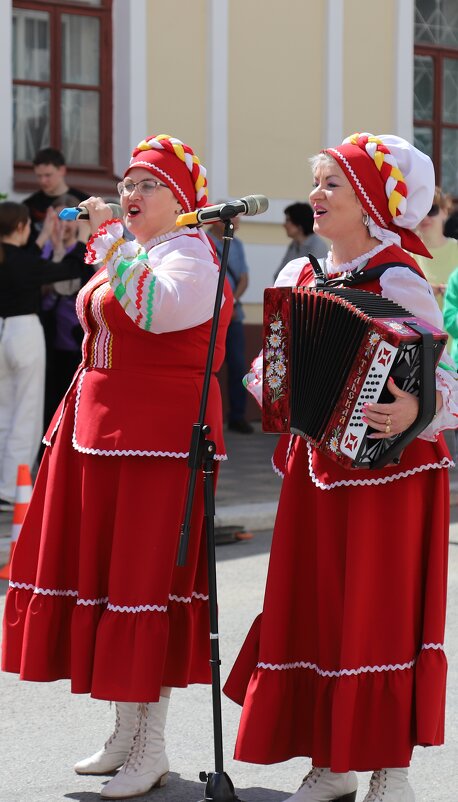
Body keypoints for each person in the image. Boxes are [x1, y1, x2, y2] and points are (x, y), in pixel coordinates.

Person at [223, 133, 458, 802]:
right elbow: (271, 368)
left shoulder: (401, 280)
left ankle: (392, 770)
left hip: (391, 476)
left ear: (373, 204)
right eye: (318, 181)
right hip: (317, 468)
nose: (316, 195)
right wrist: (267, 385)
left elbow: (445, 379)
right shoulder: (299, 274)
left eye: (333, 185)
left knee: (378, 613)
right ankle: (333, 760)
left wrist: (414, 405)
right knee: (321, 607)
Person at [2, 134, 233, 800]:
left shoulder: (192, 256)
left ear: (182, 199)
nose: (129, 195)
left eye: (145, 185)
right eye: (127, 184)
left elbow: (155, 313)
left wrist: (112, 246)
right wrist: (119, 247)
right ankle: (124, 732)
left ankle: (150, 744)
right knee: (110, 578)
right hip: (105, 435)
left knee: (143, 585)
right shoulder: (143, 252)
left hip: (158, 443)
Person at [0, 201, 88, 512]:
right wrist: (78, 239)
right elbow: (67, 270)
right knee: (26, 412)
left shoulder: (12, 258)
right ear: (22, 227)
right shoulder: (23, 262)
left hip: (3, 334)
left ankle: (4, 484)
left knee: (4, 410)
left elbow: (27, 261)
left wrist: (45, 239)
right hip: (23, 334)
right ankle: (12, 489)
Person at [40, 194, 95, 433]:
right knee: (51, 400)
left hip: (78, 338)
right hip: (51, 337)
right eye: (58, 219)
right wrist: (55, 248)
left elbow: (72, 283)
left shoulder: (89, 249)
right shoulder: (47, 249)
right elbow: (42, 285)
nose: (63, 225)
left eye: (69, 219)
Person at [208, 215, 254, 433]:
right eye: (234, 219)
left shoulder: (238, 245)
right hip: (208, 315)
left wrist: (231, 302)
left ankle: (237, 416)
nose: (238, 224)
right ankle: (205, 417)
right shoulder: (202, 240)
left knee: (238, 366)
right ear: (219, 221)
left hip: (233, 315)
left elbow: (244, 278)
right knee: (206, 367)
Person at [24, 147, 88, 243]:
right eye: (39, 176)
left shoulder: (84, 202)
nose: (43, 181)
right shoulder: (29, 205)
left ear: (62, 170)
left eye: (48, 175)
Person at [415, 186, 458, 310]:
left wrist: (453, 291)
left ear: (445, 212)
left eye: (431, 210)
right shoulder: (406, 255)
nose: (425, 217)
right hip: (420, 329)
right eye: (420, 211)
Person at [273, 201, 328, 281]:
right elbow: (279, 275)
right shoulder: (294, 245)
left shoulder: (317, 245)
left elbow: (318, 279)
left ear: (299, 223)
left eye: (288, 220)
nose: (284, 225)